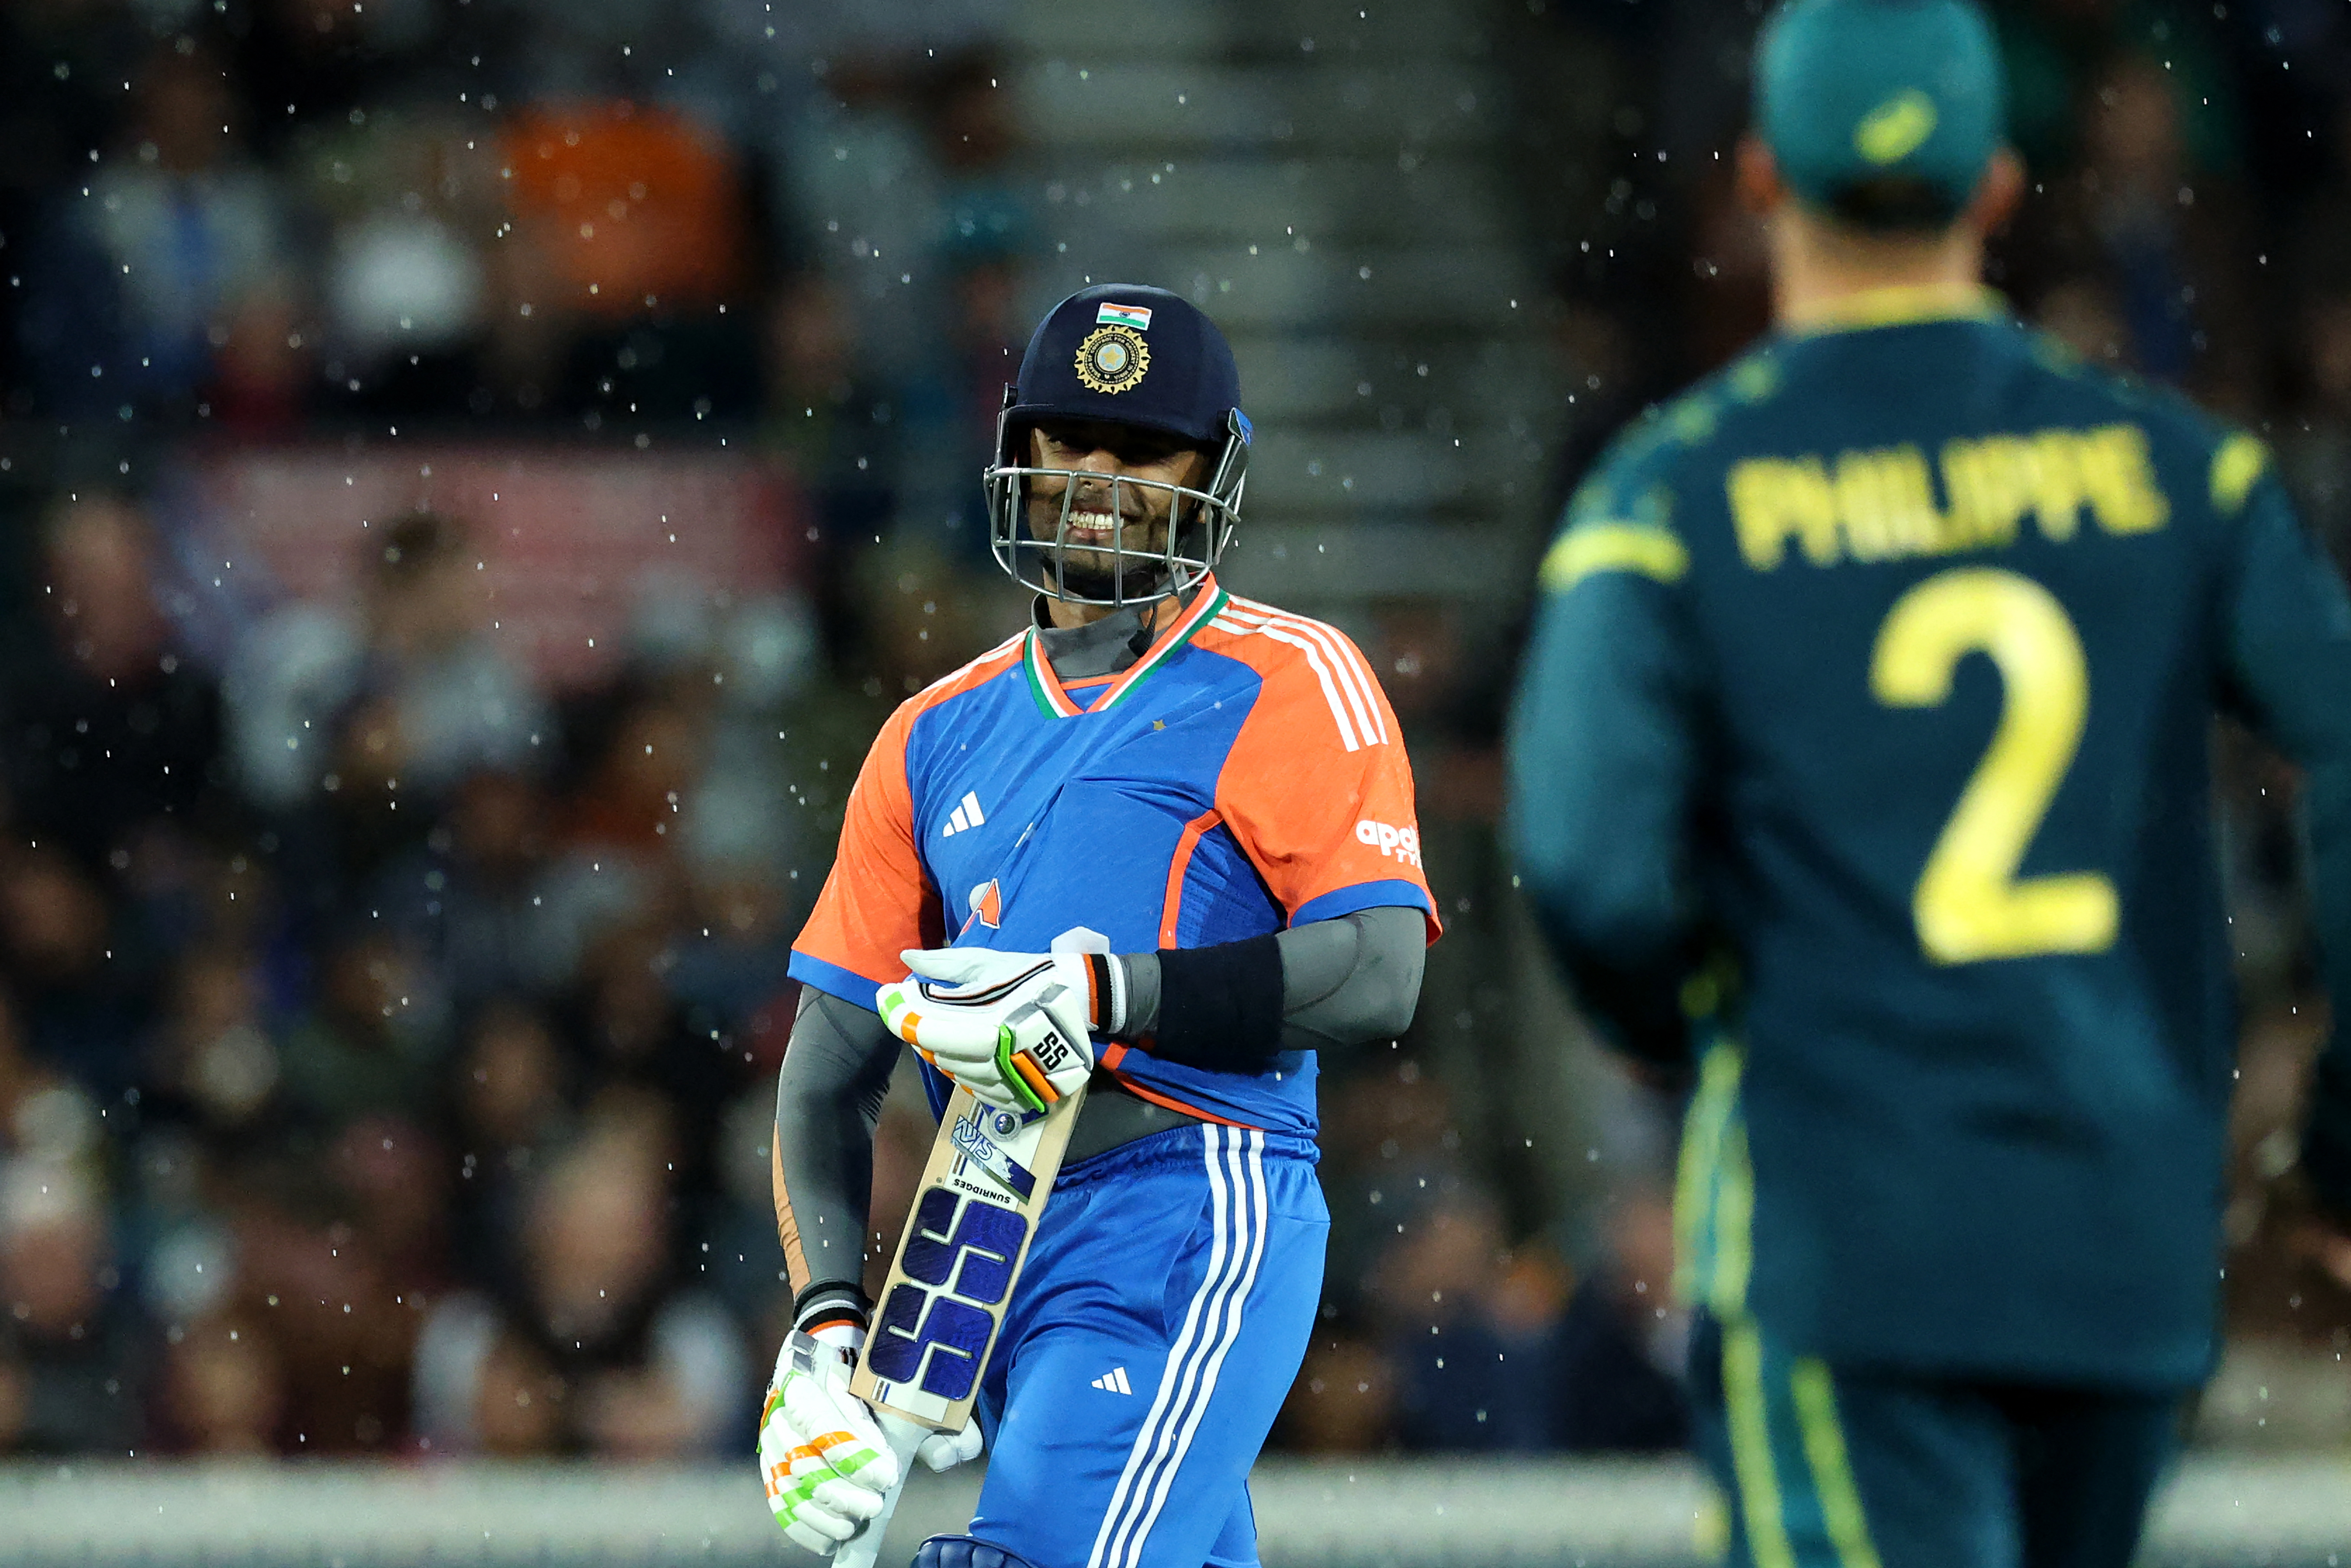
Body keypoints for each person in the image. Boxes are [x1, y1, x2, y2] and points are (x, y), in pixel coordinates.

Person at [1506, 3, 2351, 1566]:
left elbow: (1586, 865)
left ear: (1758, 182)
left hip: (1850, 1231)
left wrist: (1674, 1025)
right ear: (2002, 187)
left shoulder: (1673, 497)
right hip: (2119, 1243)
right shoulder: (2183, 474)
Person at [757, 284, 1438, 1568]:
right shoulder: (927, 731)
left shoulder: (1289, 674)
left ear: (1215, 470)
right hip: (983, 1228)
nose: (1099, 477)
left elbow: (1377, 971)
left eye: (1144, 449)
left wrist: (1101, 995)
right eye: (1069, 440)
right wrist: (825, 1329)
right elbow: (828, 1067)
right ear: (1017, 450)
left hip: (1193, 1189)